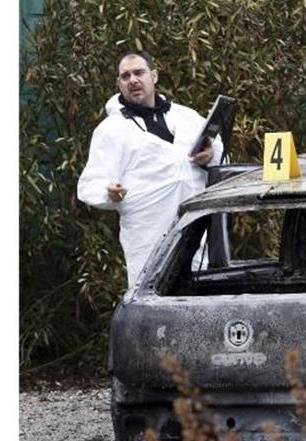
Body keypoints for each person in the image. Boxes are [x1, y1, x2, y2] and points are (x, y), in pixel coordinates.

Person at [77, 51, 222, 289]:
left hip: (195, 230)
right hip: (148, 237)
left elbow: (219, 152)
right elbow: (89, 184)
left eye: (139, 72)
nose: (133, 79)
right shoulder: (111, 130)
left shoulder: (186, 117)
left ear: (153, 76)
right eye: (125, 76)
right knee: (154, 304)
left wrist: (210, 155)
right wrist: (108, 192)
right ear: (119, 84)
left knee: (200, 302)